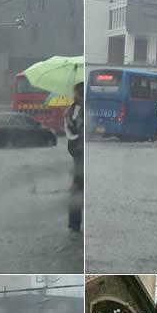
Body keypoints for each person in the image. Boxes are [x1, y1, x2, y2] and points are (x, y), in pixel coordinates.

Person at [65, 82, 84, 232]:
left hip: (83, 158)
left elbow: (80, 132)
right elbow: (74, 132)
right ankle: (74, 226)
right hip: (78, 157)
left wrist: (71, 121)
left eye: (76, 93)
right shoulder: (75, 109)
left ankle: (74, 226)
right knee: (75, 192)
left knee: (77, 192)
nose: (74, 96)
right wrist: (69, 118)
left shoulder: (85, 111)